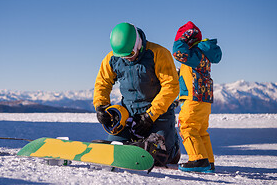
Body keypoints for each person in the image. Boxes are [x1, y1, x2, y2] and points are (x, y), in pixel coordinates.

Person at [93, 22, 180, 166]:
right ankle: (135, 141)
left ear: (138, 44)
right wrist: (101, 106)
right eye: (123, 56)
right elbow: (103, 83)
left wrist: (149, 116)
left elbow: (170, 87)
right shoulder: (112, 58)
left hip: (158, 114)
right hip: (128, 114)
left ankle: (173, 146)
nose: (127, 58)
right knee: (115, 153)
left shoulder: (158, 53)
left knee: (158, 157)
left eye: (130, 54)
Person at [172, 21, 222, 173]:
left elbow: (177, 52)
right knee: (200, 131)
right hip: (203, 100)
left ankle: (198, 159)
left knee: (187, 127)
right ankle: (208, 161)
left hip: (194, 99)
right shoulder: (202, 55)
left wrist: (181, 40)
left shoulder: (195, 53)